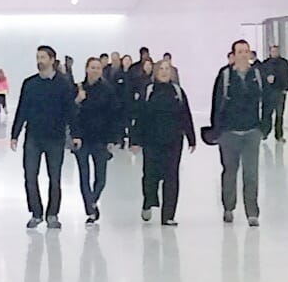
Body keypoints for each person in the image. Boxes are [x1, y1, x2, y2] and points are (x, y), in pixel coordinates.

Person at [11, 45, 73, 228]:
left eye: (43, 57)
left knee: (55, 178)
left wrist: (75, 134)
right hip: (33, 138)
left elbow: (70, 111)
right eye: (38, 57)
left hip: (55, 138)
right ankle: (36, 213)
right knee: (30, 176)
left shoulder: (63, 84)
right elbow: (22, 109)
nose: (39, 60)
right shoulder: (30, 84)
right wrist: (15, 134)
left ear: (52, 60)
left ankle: (52, 213)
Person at [210, 38, 266, 225]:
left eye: (246, 51)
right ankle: (228, 207)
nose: (243, 55)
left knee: (251, 173)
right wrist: (217, 129)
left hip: (251, 131)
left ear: (250, 54)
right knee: (230, 172)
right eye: (239, 52)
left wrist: (264, 127)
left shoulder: (257, 75)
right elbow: (216, 104)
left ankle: (252, 212)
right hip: (229, 133)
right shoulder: (225, 76)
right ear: (233, 55)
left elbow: (266, 101)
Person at [134, 56, 195, 224]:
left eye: (167, 69)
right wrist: (135, 140)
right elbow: (140, 116)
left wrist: (191, 138)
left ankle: (168, 215)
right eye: (161, 69)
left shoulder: (178, 92)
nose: (164, 72)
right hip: (151, 140)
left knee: (171, 177)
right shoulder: (149, 91)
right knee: (150, 175)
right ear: (155, 72)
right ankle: (148, 202)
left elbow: (185, 115)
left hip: (173, 141)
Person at [70, 56, 125, 223]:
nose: (95, 70)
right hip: (82, 138)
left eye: (98, 68)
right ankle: (90, 209)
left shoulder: (108, 90)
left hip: (101, 138)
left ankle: (93, 200)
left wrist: (113, 138)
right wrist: (77, 101)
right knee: (84, 175)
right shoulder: (77, 89)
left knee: (101, 177)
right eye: (92, 67)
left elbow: (114, 115)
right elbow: (70, 115)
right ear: (86, 69)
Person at [259, 41, 288, 141]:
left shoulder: (284, 63)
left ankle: (279, 135)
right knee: (266, 114)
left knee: (279, 115)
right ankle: (264, 133)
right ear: (270, 52)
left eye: (276, 51)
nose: (274, 53)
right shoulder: (265, 64)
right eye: (273, 51)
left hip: (279, 92)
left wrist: (286, 88)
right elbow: (261, 76)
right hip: (268, 94)